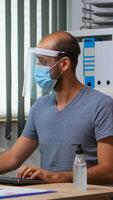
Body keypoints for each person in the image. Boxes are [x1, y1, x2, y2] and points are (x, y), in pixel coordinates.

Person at [0, 31, 113, 185]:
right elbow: (13, 158)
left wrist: (58, 177)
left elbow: (109, 171)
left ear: (64, 64)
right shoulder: (40, 106)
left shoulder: (101, 105)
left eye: (42, 62)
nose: (37, 69)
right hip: (52, 195)